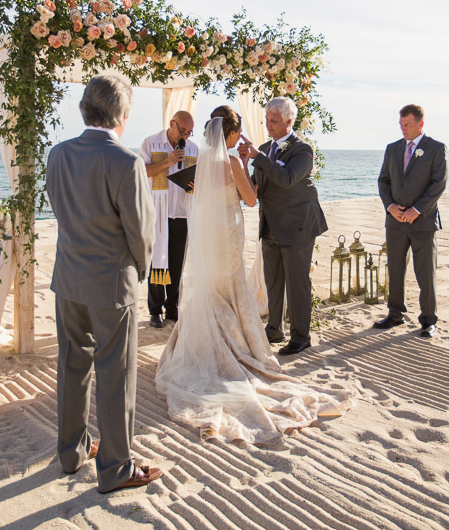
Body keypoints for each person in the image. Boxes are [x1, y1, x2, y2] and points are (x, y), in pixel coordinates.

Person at [155, 109, 352, 443]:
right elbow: (249, 199)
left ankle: (209, 342)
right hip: (229, 231)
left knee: (213, 288)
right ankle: (238, 347)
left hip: (208, 234)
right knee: (232, 287)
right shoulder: (232, 162)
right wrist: (246, 168)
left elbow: (195, 197)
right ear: (232, 134)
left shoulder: (200, 162)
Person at [46, 73, 163, 493]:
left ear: (84, 109)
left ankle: (71, 452)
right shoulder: (125, 160)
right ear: (123, 115)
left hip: (68, 277)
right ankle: (116, 468)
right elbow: (141, 231)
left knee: (71, 364)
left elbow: (60, 208)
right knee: (116, 374)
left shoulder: (57, 154)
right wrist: (142, 271)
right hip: (112, 283)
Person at [238, 97, 327, 356]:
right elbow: (256, 185)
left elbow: (287, 178)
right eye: (266, 120)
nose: (268, 125)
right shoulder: (265, 148)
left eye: (273, 121)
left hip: (298, 226)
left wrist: (258, 156)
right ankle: (274, 328)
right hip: (270, 226)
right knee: (272, 281)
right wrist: (243, 163)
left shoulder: (303, 150)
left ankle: (301, 336)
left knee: (297, 283)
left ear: (289, 122)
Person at [374, 104, 448, 337]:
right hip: (395, 221)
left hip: (423, 222)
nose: (403, 129)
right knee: (395, 269)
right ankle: (395, 313)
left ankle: (428, 320)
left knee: (425, 272)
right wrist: (390, 207)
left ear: (420, 124)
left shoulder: (436, 149)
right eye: (401, 125)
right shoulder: (392, 149)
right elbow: (383, 181)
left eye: (407, 125)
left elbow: (438, 184)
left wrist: (416, 210)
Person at [138, 111, 198, 328]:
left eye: (189, 132)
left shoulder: (193, 148)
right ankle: (155, 311)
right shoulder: (151, 142)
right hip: (157, 213)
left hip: (181, 212)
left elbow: (197, 178)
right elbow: (142, 171)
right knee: (157, 262)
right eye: (182, 131)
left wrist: (195, 185)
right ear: (171, 124)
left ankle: (173, 308)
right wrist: (168, 161)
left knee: (176, 263)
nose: (185, 136)